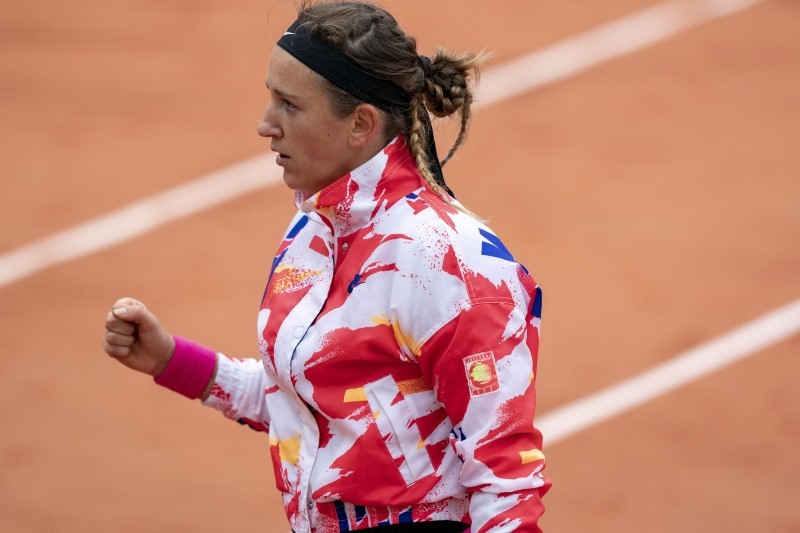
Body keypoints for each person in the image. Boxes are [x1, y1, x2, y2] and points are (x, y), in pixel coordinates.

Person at [103, 1, 550, 531]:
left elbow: (506, 483)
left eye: (289, 105)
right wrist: (172, 360)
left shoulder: (449, 262)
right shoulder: (315, 231)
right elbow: (316, 408)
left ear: (361, 123)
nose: (265, 125)